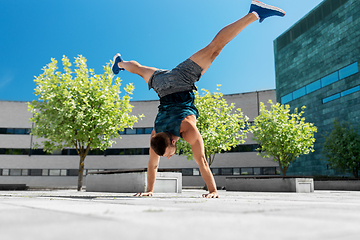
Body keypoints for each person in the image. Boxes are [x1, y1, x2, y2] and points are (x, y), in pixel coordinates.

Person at [111, 0, 285, 198]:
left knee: (215, 48)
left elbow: (201, 160)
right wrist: (149, 191)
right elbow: (152, 164)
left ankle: (254, 14)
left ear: (172, 143)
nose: (166, 156)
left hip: (181, 81)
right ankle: (121, 64)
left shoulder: (188, 129)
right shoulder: (156, 135)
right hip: (161, 84)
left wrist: (212, 191)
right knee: (142, 70)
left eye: (167, 153)